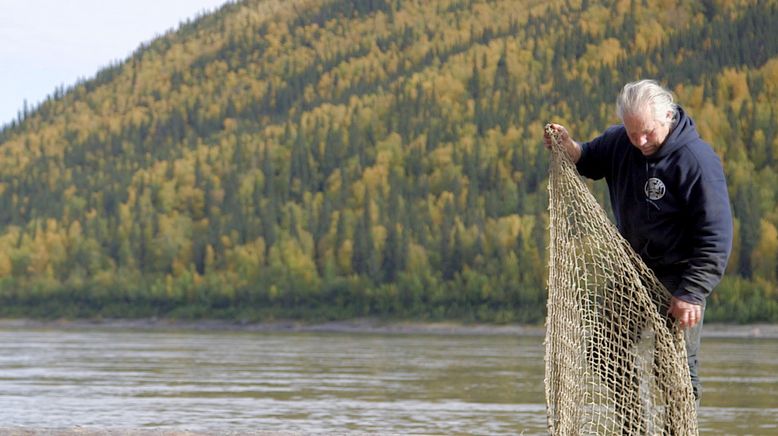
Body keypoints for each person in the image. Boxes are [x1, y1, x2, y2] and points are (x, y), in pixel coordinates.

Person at [543, 79, 734, 407]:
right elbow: (587, 158)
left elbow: (716, 235)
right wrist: (568, 145)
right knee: (605, 352)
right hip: (633, 272)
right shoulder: (620, 142)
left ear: (668, 117)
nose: (641, 141)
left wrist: (692, 292)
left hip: (680, 278)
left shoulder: (695, 160)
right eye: (633, 133)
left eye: (648, 132)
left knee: (675, 371)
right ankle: (635, 425)